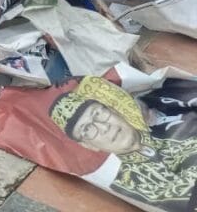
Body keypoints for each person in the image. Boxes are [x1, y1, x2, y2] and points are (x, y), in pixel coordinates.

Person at [51, 76, 197, 211]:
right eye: (87, 129)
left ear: (114, 110)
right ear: (88, 145)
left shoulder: (165, 108)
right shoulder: (127, 184)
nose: (104, 127)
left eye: (98, 114)